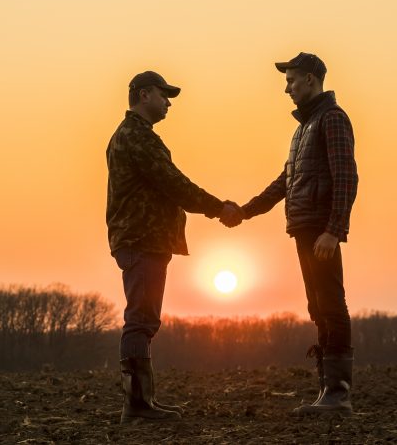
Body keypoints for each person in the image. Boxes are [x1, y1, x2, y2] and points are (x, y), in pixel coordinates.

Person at [222, 52, 358, 416]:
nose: (287, 88)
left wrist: (334, 230)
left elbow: (346, 177)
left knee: (331, 303)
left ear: (311, 79)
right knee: (318, 307)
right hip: (303, 226)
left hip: (319, 229)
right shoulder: (303, 129)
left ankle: (339, 393)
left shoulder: (332, 119)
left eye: (292, 80)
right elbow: (286, 181)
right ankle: (327, 391)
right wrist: (245, 212)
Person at [106, 70, 242, 424]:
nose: (168, 103)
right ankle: (137, 405)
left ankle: (142, 402)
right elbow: (174, 183)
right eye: (164, 96)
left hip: (142, 238)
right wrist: (218, 208)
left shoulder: (133, 136)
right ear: (145, 94)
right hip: (142, 238)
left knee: (144, 318)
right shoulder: (137, 137)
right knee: (140, 319)